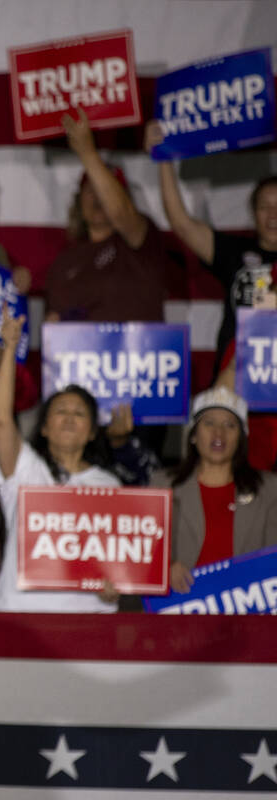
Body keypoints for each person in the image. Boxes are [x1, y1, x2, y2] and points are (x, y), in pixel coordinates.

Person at [145, 120, 277, 469]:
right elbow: (182, 223)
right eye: (265, 206)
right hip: (238, 383)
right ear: (253, 212)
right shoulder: (235, 253)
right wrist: (163, 159)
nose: (273, 215)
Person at [0, 310, 118, 612]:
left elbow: (117, 562)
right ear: (44, 427)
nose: (70, 418)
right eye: (61, 411)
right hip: (19, 620)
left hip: (87, 623)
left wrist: (117, 585)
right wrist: (9, 349)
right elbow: (1, 420)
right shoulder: (25, 469)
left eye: (79, 413)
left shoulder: (110, 486)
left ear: (92, 433)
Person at [44, 109, 170, 323]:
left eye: (103, 190)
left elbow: (122, 213)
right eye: (89, 189)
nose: (97, 197)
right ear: (78, 200)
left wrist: (87, 153)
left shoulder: (141, 242)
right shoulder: (63, 264)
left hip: (137, 354)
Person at [156, 387, 277, 594]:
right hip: (180, 609)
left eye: (230, 425)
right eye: (209, 423)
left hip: (245, 612)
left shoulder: (269, 488)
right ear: (193, 435)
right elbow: (146, 555)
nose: (218, 433)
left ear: (241, 438)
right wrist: (164, 568)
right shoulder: (162, 484)